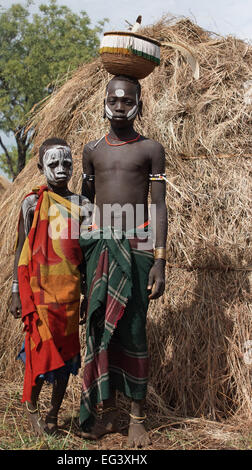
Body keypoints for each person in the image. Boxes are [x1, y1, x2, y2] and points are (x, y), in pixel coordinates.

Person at [80, 75, 168, 447]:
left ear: (139, 104)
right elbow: (84, 205)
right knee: (99, 329)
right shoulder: (91, 150)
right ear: (104, 102)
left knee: (133, 329)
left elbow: (160, 205)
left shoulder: (150, 149)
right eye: (113, 100)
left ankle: (136, 418)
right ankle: (106, 413)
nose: (119, 107)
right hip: (100, 246)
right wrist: (80, 253)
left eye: (126, 100)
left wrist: (160, 260)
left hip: (138, 245)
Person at [10, 138, 88, 436]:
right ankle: (32, 411)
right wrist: (16, 290)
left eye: (66, 163)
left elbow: (85, 257)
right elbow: (21, 249)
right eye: (53, 164)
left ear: (73, 166)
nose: (60, 169)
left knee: (67, 357)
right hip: (39, 294)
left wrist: (86, 295)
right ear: (40, 166)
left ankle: (54, 415)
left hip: (68, 294)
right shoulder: (32, 202)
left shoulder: (83, 205)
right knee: (39, 353)